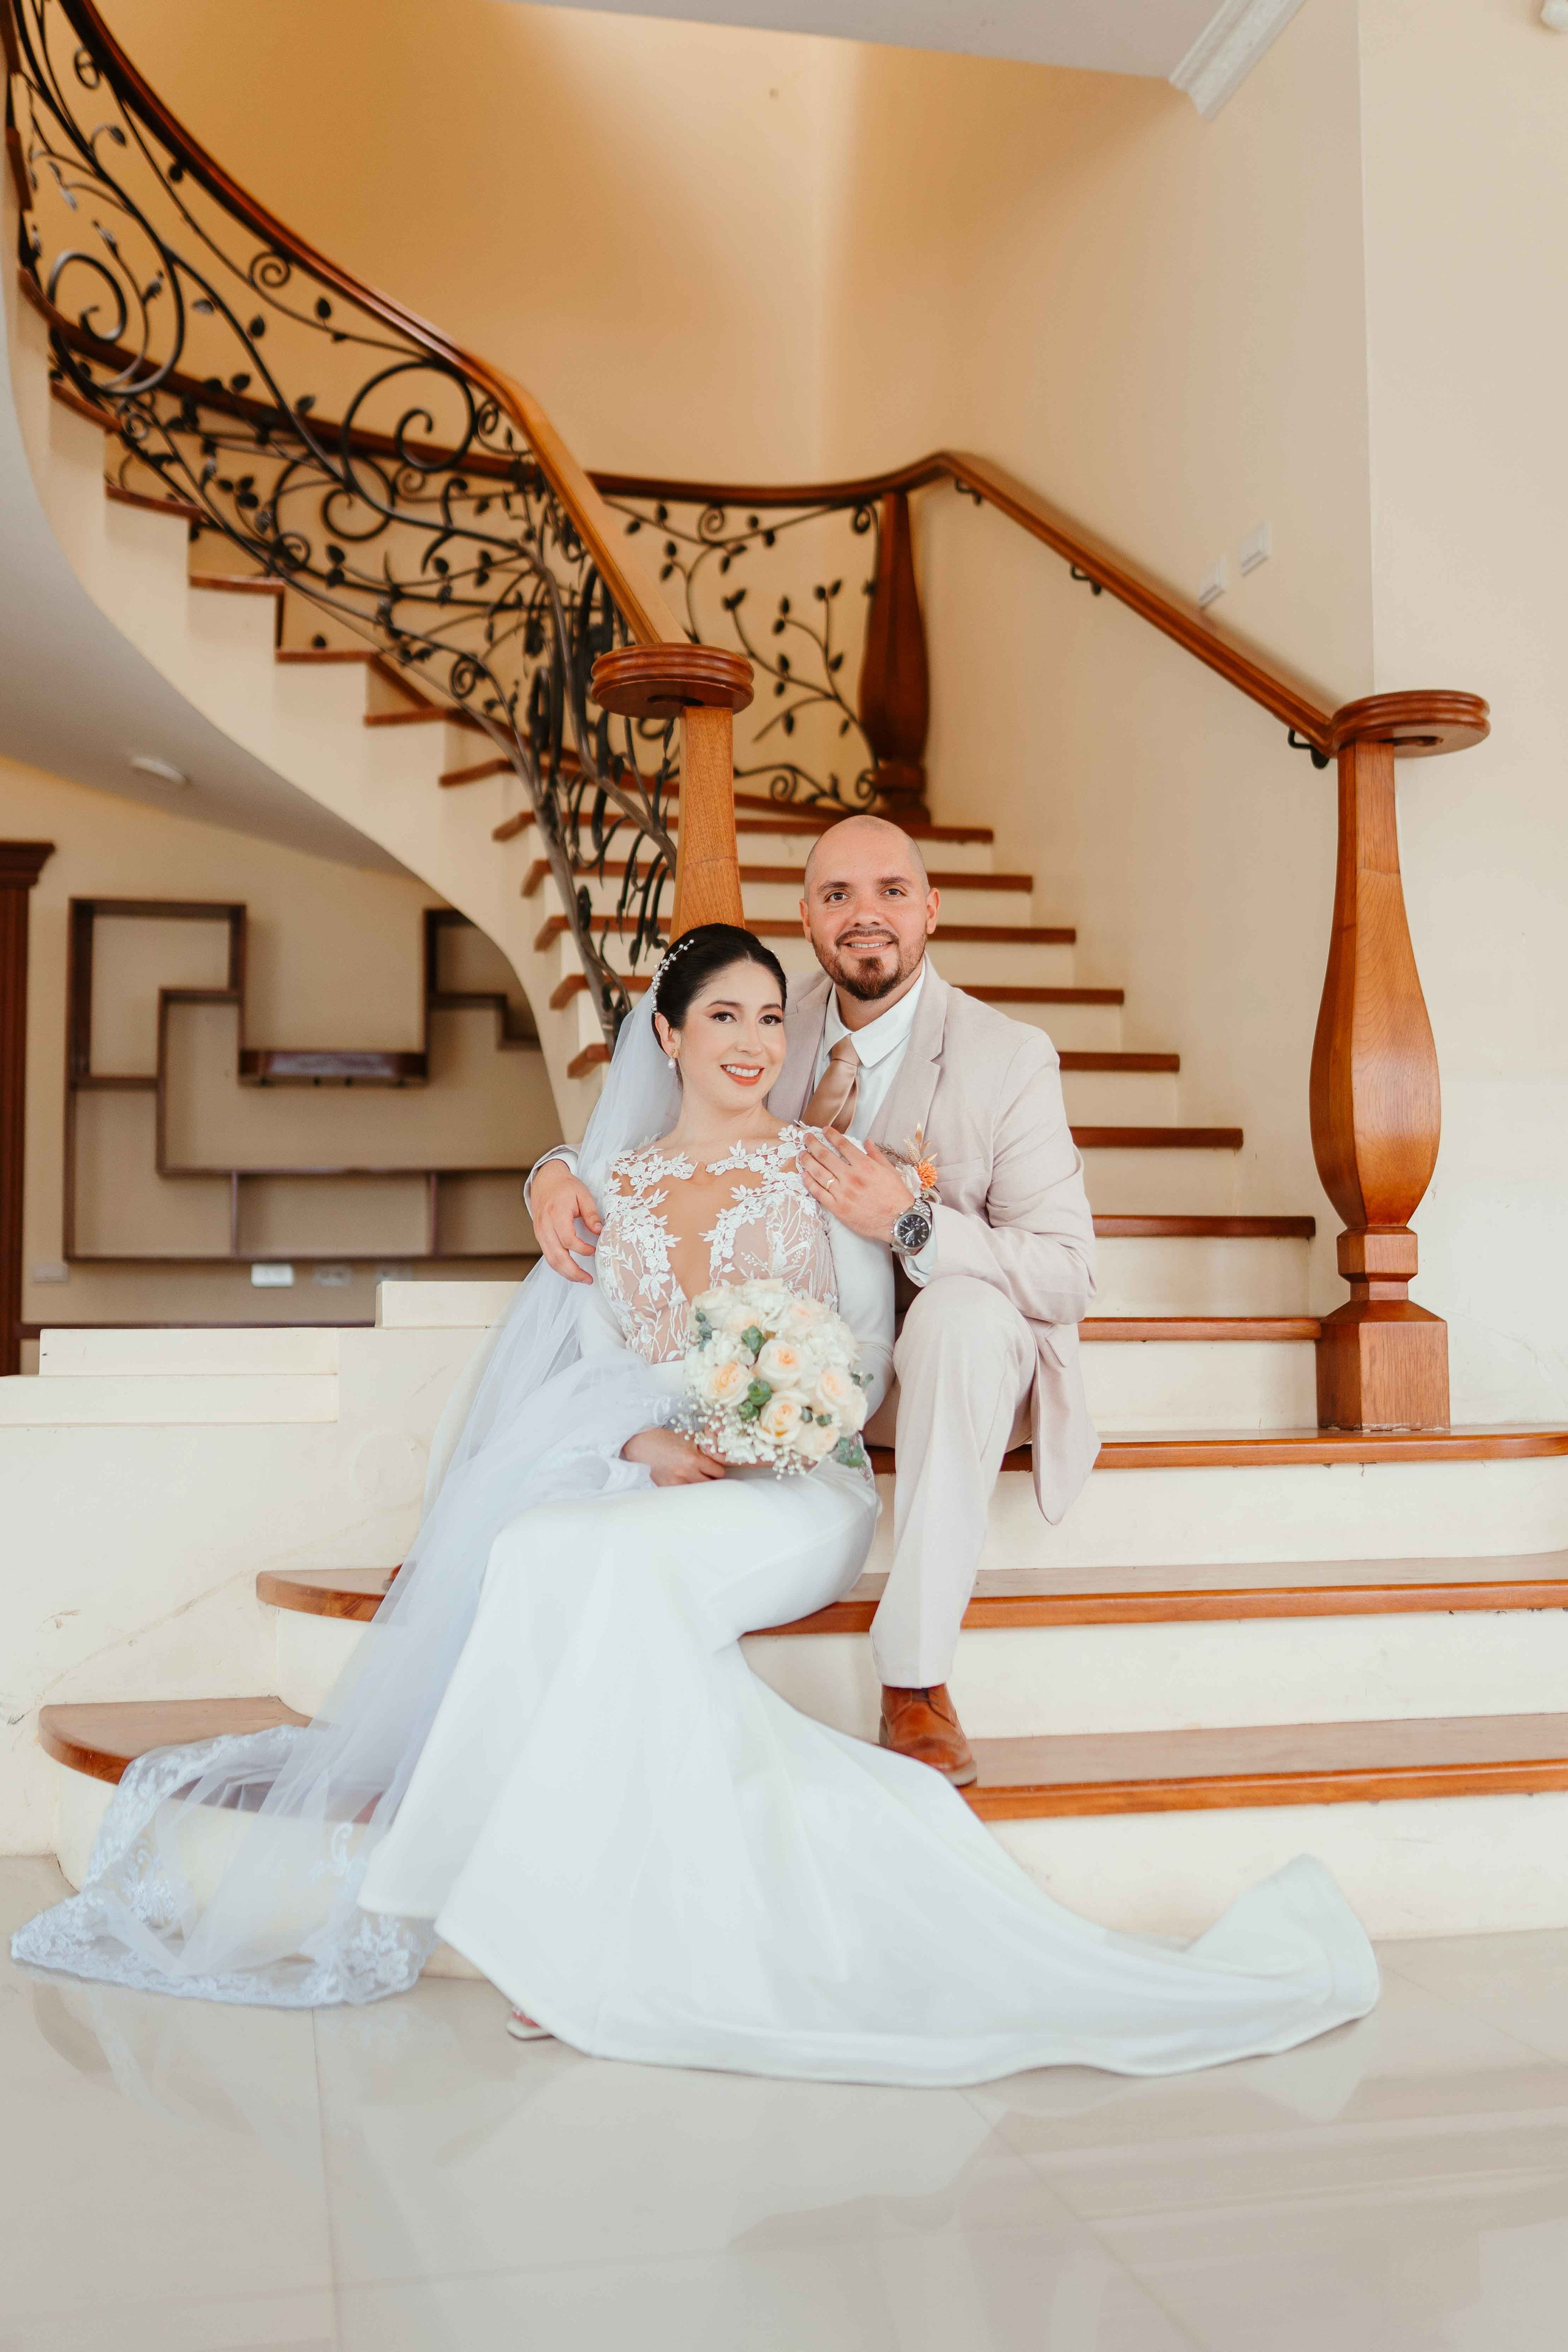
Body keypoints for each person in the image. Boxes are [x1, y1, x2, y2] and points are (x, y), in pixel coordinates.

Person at [15, 922, 1378, 2082]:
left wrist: (771, 1414)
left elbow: (852, 1355)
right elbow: (596, 1376)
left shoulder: (821, 1168)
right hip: (657, 1476)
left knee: (597, 1574)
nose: (752, 1040)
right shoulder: (598, 1191)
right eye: (721, 1013)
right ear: (663, 1034)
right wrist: (651, 1447)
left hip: (798, 1485)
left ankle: (559, 1921)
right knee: (549, 1549)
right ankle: (536, 1912)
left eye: (771, 1018)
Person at [529, 815, 1099, 1786]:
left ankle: (916, 1680)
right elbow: (662, 1126)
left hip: (947, 1341)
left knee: (960, 1321)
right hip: (777, 1349)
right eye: (838, 896)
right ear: (807, 917)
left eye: (889, 891)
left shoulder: (1009, 1057)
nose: (864, 915)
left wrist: (911, 1224)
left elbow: (1068, 1273)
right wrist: (552, 1171)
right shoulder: (768, 1015)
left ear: (931, 908)